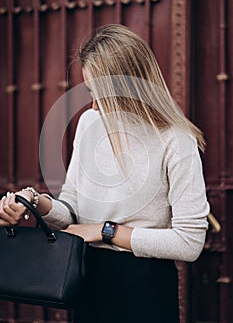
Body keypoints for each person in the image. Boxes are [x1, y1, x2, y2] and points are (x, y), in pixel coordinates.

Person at [0, 24, 209, 322]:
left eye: (103, 94)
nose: (95, 104)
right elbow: (72, 210)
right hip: (85, 279)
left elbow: (189, 243)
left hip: (142, 289)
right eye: (90, 91)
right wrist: (35, 202)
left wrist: (105, 231)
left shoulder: (175, 140)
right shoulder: (89, 123)